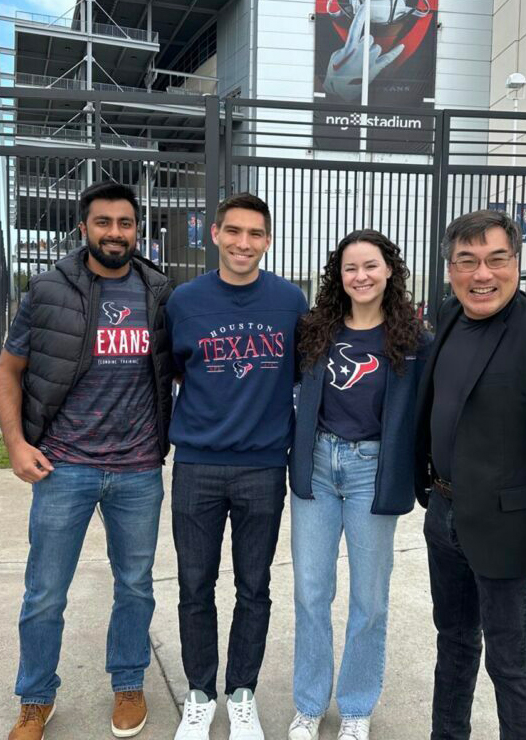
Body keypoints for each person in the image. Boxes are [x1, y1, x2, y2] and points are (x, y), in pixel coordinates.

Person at [0, 181, 174, 740]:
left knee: (136, 584)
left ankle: (127, 683)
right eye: (104, 222)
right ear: (84, 228)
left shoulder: (162, 293)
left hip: (139, 467)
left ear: (137, 230)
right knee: (45, 590)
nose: (115, 233)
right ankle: (35, 698)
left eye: (125, 223)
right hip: (65, 465)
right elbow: (8, 370)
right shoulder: (47, 289)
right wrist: (17, 446)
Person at [414, 209, 526, 739]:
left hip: (507, 528)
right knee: (454, 643)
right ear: (450, 268)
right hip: (444, 514)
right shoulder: (448, 315)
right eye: (467, 261)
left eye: (496, 259)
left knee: (510, 664)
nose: (482, 274)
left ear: (517, 263)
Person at [166, 193, 308, 740]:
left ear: (267, 240)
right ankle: (201, 694)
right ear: (215, 234)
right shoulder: (185, 301)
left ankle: (242, 692)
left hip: (264, 468)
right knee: (195, 585)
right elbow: (176, 369)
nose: (244, 243)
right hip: (198, 464)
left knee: (254, 586)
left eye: (256, 234)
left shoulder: (290, 301)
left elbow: (302, 371)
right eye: (234, 232)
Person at [287, 230, 430, 740]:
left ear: (390, 270)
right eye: (351, 268)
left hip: (373, 470)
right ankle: (308, 703)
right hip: (320, 466)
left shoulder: (413, 340)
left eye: (371, 266)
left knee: (369, 599)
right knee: (309, 592)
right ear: (338, 275)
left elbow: (429, 411)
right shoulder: (315, 331)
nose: (361, 276)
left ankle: (356, 706)